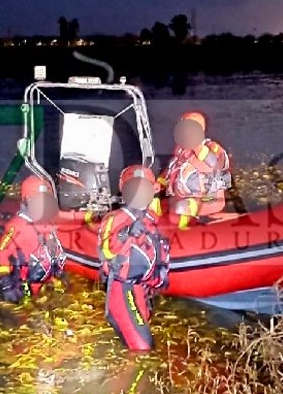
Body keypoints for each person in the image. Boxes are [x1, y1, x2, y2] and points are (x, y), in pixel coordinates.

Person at [97, 165, 171, 351]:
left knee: (138, 339)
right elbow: (105, 250)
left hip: (141, 288)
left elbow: (157, 249)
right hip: (123, 287)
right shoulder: (115, 219)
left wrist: (160, 271)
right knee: (142, 348)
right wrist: (125, 234)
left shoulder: (151, 219)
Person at [0, 176, 67, 303]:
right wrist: (5, 282)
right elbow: (1, 252)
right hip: (24, 285)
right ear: (27, 200)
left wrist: (58, 273)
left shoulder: (47, 222)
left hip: (45, 281)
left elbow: (51, 248)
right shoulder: (17, 226)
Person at [155, 111, 231, 228]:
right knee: (153, 202)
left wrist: (196, 145)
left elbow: (214, 163)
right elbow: (172, 169)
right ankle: (152, 227)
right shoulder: (181, 150)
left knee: (182, 207)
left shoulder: (213, 148)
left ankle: (183, 233)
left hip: (208, 199)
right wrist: (159, 183)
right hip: (181, 196)